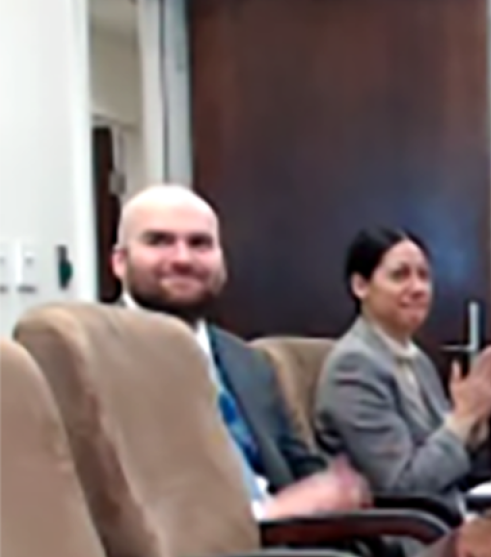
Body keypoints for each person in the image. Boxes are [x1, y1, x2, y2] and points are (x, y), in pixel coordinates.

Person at [112, 185, 369, 519]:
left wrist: (336, 488)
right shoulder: (96, 360)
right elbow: (132, 515)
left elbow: (299, 465)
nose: (182, 258)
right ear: (119, 261)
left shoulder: (247, 362)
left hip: (302, 553)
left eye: (200, 244)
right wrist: (267, 514)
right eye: (159, 241)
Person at [314, 227, 491, 508]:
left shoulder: (417, 360)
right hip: (404, 536)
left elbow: (440, 460)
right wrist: (461, 419)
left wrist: (474, 423)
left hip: (446, 516)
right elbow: (404, 486)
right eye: (400, 275)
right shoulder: (353, 367)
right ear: (361, 286)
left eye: (424, 276)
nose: (417, 288)